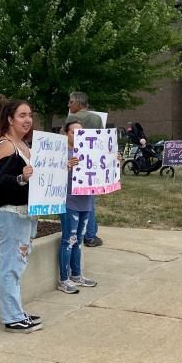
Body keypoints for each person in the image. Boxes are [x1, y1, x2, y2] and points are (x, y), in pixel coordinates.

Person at [0, 99, 41, 333]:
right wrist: (21, 178)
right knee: (11, 265)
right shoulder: (6, 146)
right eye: (22, 115)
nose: (28, 120)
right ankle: (12, 317)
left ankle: (16, 311)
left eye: (30, 115)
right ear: (9, 119)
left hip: (24, 212)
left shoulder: (24, 145)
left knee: (18, 265)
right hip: (10, 213)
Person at [58, 121, 98, 294]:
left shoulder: (91, 152)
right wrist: (65, 166)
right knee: (69, 240)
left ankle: (76, 274)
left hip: (86, 201)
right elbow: (49, 175)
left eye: (81, 132)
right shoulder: (60, 153)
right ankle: (63, 279)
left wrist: (114, 162)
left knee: (79, 241)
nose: (78, 136)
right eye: (74, 133)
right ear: (66, 134)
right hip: (69, 202)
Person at [65, 92, 103, 247]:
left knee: (78, 199)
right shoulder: (97, 118)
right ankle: (91, 235)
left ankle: (85, 233)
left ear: (78, 103)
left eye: (70, 102)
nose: (68, 105)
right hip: (92, 162)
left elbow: (64, 138)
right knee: (89, 198)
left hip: (75, 161)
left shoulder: (71, 119)